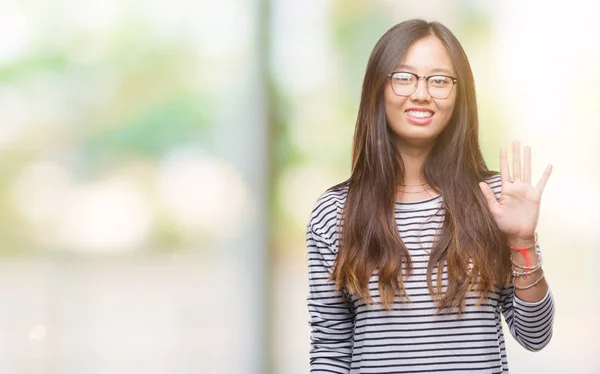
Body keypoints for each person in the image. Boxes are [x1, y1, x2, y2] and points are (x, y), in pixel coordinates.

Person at [306, 19, 554, 373]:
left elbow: (536, 335)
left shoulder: (495, 200)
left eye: (439, 80)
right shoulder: (335, 212)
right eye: (404, 77)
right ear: (378, 87)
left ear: (459, 94)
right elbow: (330, 349)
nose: (421, 93)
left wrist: (523, 243)